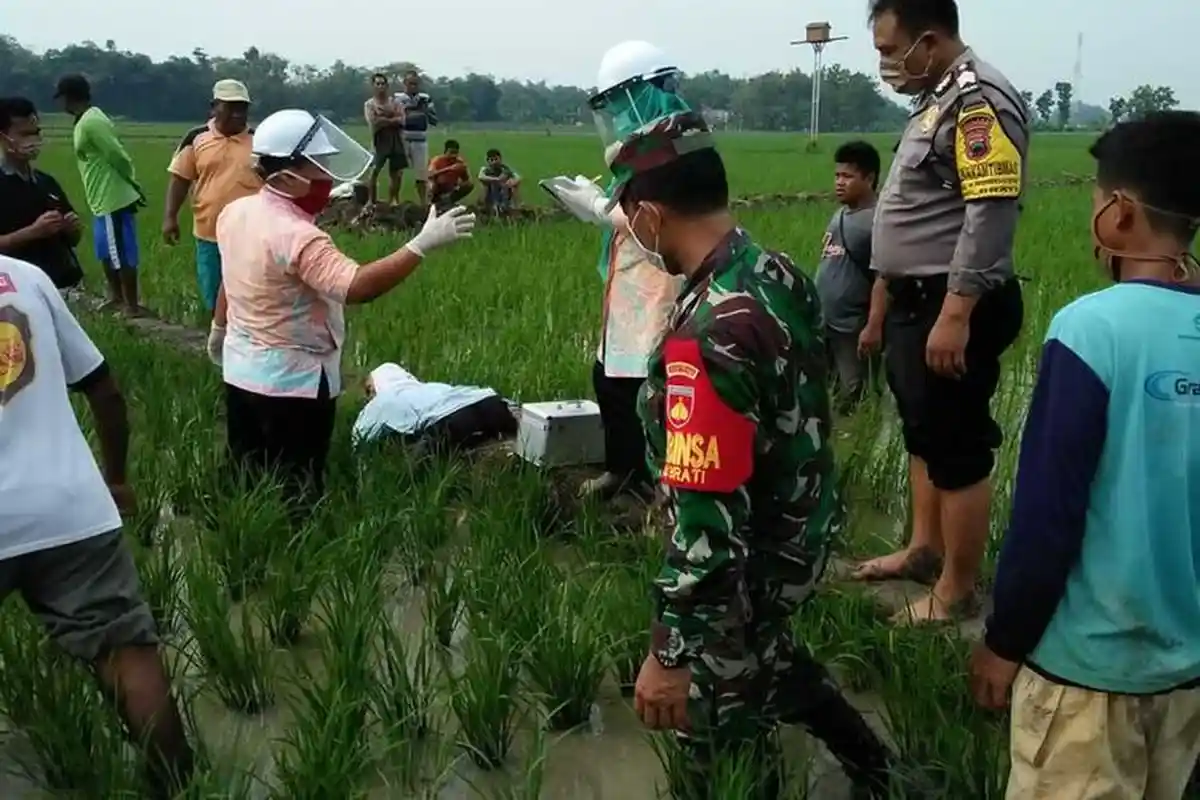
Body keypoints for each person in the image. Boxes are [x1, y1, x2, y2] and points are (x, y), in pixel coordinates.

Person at [584, 110, 895, 798]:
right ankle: (880, 773)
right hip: (796, 535)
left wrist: (671, 652)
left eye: (629, 216)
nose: (631, 231)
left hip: (741, 568)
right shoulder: (774, 269)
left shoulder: (707, 334)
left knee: (717, 748)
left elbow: (708, 519)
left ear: (652, 215)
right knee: (774, 662)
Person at [969, 112, 1200, 799]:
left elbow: (1048, 513)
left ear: (1121, 214)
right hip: (1187, 675)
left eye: (1098, 200)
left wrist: (1004, 643)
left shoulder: (1089, 330)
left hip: (1086, 678)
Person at [849, 0, 1030, 624]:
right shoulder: (936, 99)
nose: (884, 64)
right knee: (923, 434)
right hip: (914, 301)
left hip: (950, 307)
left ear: (927, 41)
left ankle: (956, 591)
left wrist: (956, 313)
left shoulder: (977, 101)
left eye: (887, 49)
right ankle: (924, 550)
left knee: (956, 448)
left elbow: (990, 211)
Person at [208, 109, 474, 509]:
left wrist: (217, 326)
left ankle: (247, 547)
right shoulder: (300, 236)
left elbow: (231, 273)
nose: (328, 176)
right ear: (288, 173)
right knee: (296, 489)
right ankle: (294, 558)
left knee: (247, 476)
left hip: (242, 372)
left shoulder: (236, 212)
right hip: (292, 385)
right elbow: (355, 286)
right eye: (321, 165)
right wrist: (421, 245)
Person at [0, 253, 194, 798]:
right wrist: (115, 478)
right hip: (69, 507)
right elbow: (104, 392)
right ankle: (176, 784)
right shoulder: (26, 277)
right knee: (125, 651)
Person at [545, 40, 688, 502]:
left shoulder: (671, 145)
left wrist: (595, 206)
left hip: (656, 283)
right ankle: (622, 470)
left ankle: (660, 488)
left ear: (640, 92)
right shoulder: (641, 144)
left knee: (653, 394)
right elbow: (628, 211)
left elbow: (661, 221)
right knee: (609, 382)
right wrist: (594, 201)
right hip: (626, 289)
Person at [163, 79, 262, 317]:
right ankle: (220, 340)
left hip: (252, 235)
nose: (238, 114)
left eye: (242, 108)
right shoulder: (196, 138)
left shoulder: (261, 140)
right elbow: (180, 179)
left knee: (250, 294)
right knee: (213, 291)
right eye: (230, 107)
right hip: (209, 233)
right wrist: (170, 217)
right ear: (214, 107)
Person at [54, 73, 148, 316]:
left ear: (69, 97)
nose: (60, 104)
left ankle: (131, 305)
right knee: (106, 250)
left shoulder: (92, 121)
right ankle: (116, 297)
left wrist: (132, 184)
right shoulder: (82, 120)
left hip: (112, 198)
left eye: (61, 98)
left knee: (121, 251)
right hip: (100, 200)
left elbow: (117, 155)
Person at [816, 140, 883, 414]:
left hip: (853, 328)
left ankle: (858, 441)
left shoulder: (878, 221)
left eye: (847, 176)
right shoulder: (840, 214)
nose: (839, 182)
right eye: (837, 176)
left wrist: (874, 326)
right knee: (826, 393)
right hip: (825, 321)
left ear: (869, 178)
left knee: (854, 394)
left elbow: (885, 277)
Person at [0, 96, 85, 290]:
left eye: (35, 133)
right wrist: (32, 232)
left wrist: (72, 229)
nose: (33, 140)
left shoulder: (46, 183)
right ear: (3, 137)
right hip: (15, 290)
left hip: (59, 285)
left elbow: (72, 241)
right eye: (24, 134)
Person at [353, 362, 516, 454]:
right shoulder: (430, 387)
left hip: (453, 419)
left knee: (418, 462)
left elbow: (361, 435)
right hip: (489, 402)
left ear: (373, 388)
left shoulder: (383, 400)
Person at [393, 71, 438, 205]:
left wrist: (425, 111)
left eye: (415, 84)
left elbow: (434, 120)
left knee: (421, 173)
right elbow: (396, 117)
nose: (413, 86)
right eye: (410, 83)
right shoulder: (397, 99)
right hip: (403, 138)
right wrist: (410, 110)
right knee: (398, 172)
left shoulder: (425, 99)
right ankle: (395, 200)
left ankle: (423, 201)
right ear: (404, 84)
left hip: (420, 139)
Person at [363, 73, 406, 207]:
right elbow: (374, 122)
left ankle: (393, 199)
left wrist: (384, 119)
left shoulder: (396, 102)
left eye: (383, 83)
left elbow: (402, 120)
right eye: (378, 84)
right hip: (378, 141)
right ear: (373, 86)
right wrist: (391, 118)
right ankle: (371, 200)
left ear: (387, 86)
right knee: (374, 171)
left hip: (396, 140)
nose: (381, 86)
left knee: (396, 173)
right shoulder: (369, 104)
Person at [428, 139, 473, 210]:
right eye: (451, 152)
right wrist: (449, 169)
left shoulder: (459, 162)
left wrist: (464, 170)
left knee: (469, 185)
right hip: (437, 187)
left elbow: (467, 180)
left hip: (451, 187)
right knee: (435, 182)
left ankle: (448, 200)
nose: (453, 156)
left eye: (456, 153)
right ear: (445, 152)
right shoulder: (437, 160)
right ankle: (433, 202)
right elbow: (430, 174)